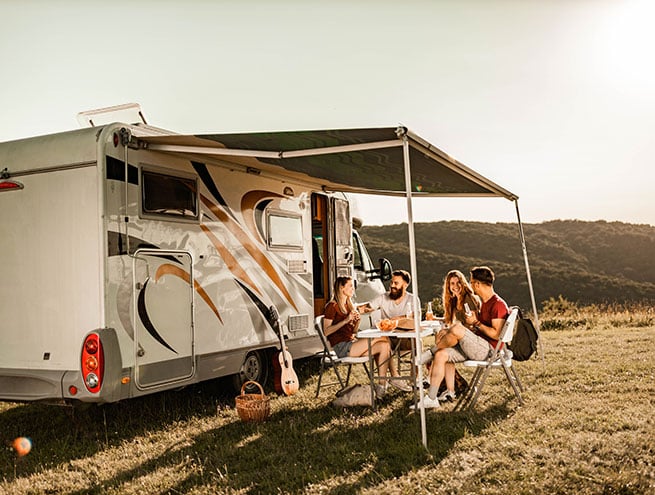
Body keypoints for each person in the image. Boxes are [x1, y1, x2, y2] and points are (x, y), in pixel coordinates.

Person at [416, 266, 509, 409]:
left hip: (489, 350)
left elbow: (496, 334)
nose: (470, 285)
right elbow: (477, 328)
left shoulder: (498, 304)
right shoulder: (485, 302)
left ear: (477, 284)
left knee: (457, 328)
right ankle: (432, 397)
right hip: (477, 345)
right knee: (442, 354)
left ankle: (430, 353)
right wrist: (472, 326)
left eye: (471, 282)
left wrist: (475, 323)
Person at [323, 276, 401, 397]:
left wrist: (357, 322)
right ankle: (395, 376)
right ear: (342, 288)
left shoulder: (348, 305)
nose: (353, 288)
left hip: (352, 343)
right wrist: (345, 321)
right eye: (350, 286)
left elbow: (353, 332)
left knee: (384, 345)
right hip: (342, 348)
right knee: (383, 337)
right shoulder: (332, 307)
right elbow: (326, 332)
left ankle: (381, 386)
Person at [360, 270, 419, 391]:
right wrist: (353, 309)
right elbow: (368, 308)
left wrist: (395, 320)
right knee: (382, 341)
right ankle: (394, 377)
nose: (392, 285)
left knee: (418, 342)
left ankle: (414, 379)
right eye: (391, 282)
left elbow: (415, 317)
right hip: (388, 339)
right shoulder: (383, 297)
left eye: (396, 283)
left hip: (405, 339)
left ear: (405, 285)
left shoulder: (412, 299)